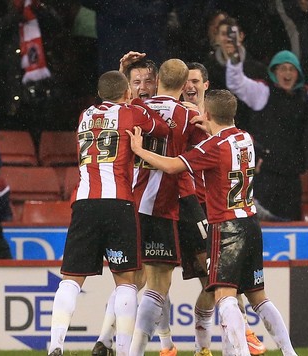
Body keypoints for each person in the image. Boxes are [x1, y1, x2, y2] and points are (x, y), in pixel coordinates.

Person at [127, 89, 298, 356]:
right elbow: (222, 135)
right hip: (251, 222)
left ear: (207, 114)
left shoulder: (212, 147)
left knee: (224, 296)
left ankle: (240, 353)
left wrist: (139, 150)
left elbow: (172, 166)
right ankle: (289, 353)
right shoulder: (246, 138)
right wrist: (207, 122)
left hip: (226, 227)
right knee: (258, 297)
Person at [46, 70, 169, 356]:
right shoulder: (131, 113)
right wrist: (137, 103)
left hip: (85, 202)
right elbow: (162, 128)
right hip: (119, 201)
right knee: (126, 280)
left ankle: (56, 345)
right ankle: (124, 351)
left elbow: (110, 98)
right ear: (127, 92)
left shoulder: (84, 116)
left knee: (71, 279)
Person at [182, 62, 266, 356]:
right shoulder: (179, 118)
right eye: (183, 82)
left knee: (221, 285)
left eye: (194, 80)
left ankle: (233, 341)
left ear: (206, 85)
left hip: (222, 211)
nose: (188, 87)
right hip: (192, 206)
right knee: (212, 284)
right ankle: (205, 345)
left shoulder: (219, 128)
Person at [128, 58, 208, 356]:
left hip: (136, 202)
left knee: (138, 282)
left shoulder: (136, 108)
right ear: (186, 83)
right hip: (170, 203)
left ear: (158, 77)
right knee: (167, 282)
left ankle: (119, 342)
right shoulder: (187, 116)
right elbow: (211, 147)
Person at [226, 48, 308, 221]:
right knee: (262, 223)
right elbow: (235, 83)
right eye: (283, 68)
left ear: (298, 73)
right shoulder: (262, 92)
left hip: (292, 175)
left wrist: (307, 159)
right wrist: (235, 59)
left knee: (291, 224)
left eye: (292, 69)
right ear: (274, 71)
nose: (288, 73)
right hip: (265, 173)